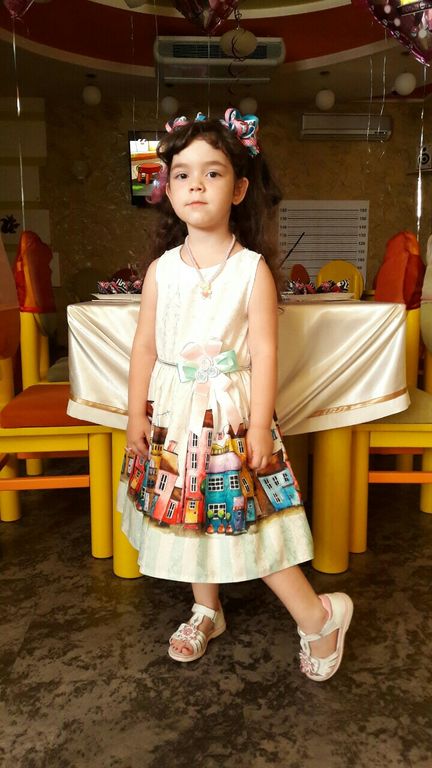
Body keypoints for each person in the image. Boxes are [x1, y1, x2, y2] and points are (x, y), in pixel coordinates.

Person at [117, 109, 353, 682]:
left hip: (231, 417)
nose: (195, 184)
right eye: (182, 174)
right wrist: (133, 415)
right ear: (167, 189)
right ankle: (206, 609)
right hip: (174, 416)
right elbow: (145, 347)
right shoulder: (161, 272)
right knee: (191, 518)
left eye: (213, 173)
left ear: (240, 189)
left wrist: (259, 425)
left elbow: (265, 354)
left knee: (253, 525)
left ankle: (320, 617)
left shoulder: (252, 270)